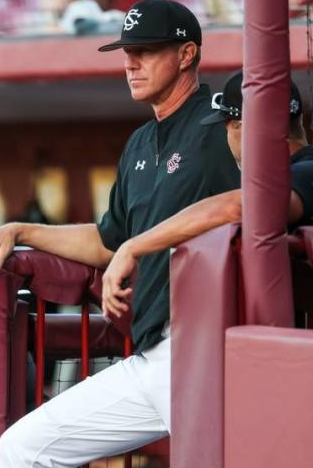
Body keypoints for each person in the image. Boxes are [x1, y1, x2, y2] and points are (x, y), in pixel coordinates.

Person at [0, 0, 240, 468]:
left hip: (212, 348)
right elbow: (107, 240)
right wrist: (22, 230)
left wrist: (134, 248)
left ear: (187, 54)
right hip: (153, 357)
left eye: (145, 52)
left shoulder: (224, 121)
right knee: (25, 448)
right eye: (126, 52)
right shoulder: (140, 143)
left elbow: (250, 202)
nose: (130, 63)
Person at [103, 71, 312, 317]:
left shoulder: (307, 169)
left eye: (227, 127)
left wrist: (132, 247)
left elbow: (243, 205)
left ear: (242, 128)